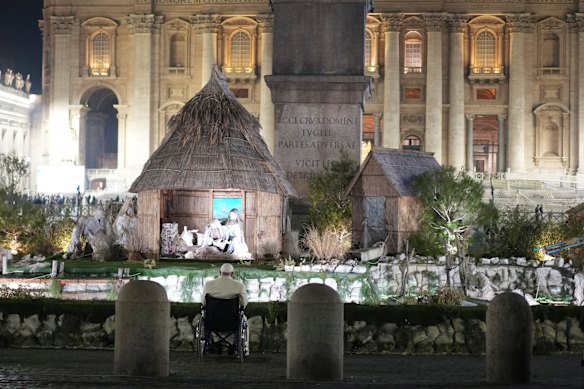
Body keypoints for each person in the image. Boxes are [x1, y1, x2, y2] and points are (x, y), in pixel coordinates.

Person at [202, 263, 249, 355]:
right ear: (232, 274)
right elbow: (244, 303)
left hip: (212, 321)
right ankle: (243, 348)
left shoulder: (208, 284)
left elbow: (203, 302)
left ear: (220, 272)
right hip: (232, 321)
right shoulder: (239, 286)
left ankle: (213, 343)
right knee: (244, 320)